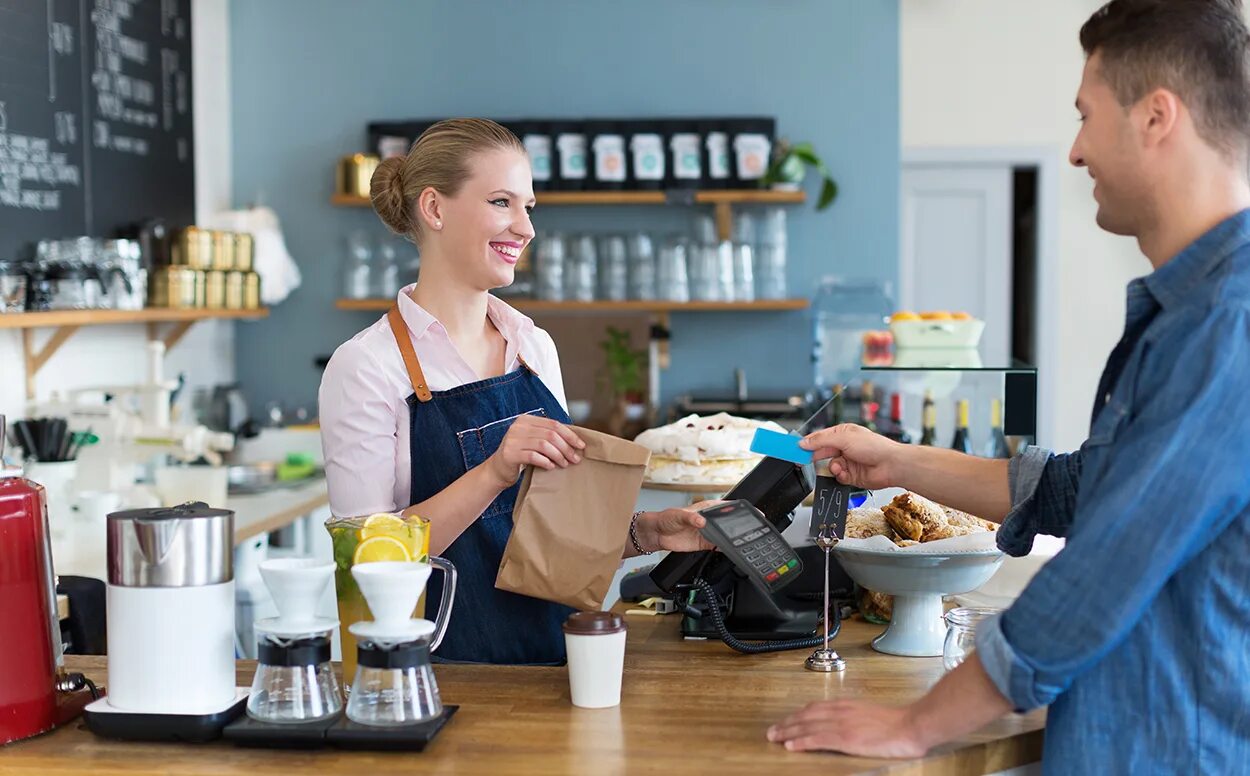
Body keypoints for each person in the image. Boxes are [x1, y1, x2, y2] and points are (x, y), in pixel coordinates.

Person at [768, 1, 1250, 770]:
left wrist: (915, 725)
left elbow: (1098, 578)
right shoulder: (1190, 312)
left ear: (1158, 117)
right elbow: (1082, 491)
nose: (1075, 151)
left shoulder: (1226, 328)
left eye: (1087, 117)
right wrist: (896, 461)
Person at [319, 118, 712, 665]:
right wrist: (495, 470)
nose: (525, 228)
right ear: (434, 209)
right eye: (502, 202)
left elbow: (549, 539)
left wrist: (648, 532)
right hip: (434, 680)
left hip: (553, 665)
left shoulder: (533, 346)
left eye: (529, 207)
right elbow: (367, 560)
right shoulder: (366, 366)